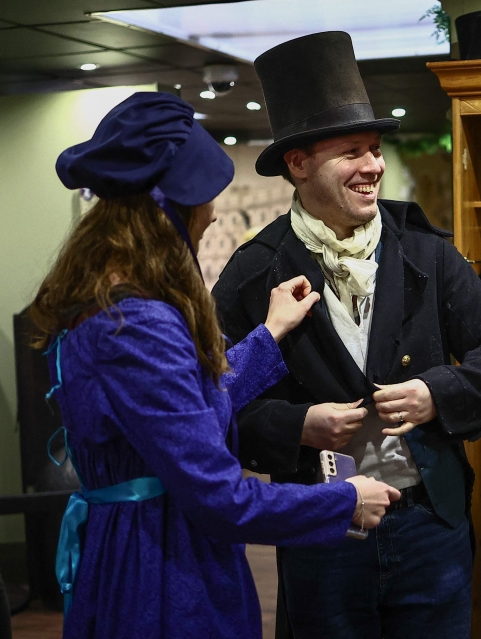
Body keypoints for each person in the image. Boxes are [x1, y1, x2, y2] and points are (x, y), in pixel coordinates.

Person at [29, 92, 401, 639]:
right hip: (161, 570)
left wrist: (270, 332)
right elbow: (220, 496)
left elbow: (187, 412)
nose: (213, 213)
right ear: (165, 211)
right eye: (202, 198)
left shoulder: (109, 304)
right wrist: (341, 501)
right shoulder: (135, 325)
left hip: (139, 548)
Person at [211, 31, 481, 639]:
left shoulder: (425, 252)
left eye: (376, 148)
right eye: (351, 152)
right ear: (298, 164)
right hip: (320, 530)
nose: (373, 166)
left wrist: (437, 392)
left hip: (429, 528)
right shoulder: (253, 273)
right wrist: (295, 426)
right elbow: (211, 403)